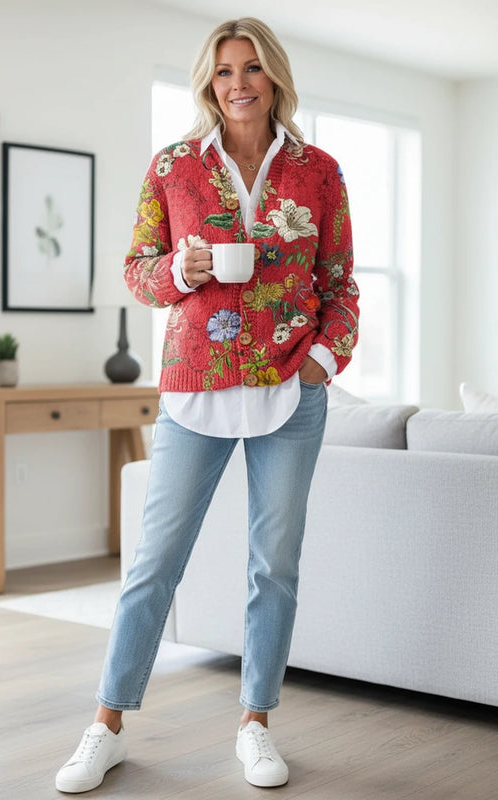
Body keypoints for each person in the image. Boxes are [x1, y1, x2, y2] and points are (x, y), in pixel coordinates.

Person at [56, 16, 359, 794]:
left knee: (274, 566)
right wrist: (181, 272)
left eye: (251, 68)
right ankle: (106, 726)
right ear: (208, 83)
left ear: (274, 76)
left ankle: (256, 724)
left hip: (291, 391)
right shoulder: (174, 167)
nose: (238, 84)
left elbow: (339, 285)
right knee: (154, 563)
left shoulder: (320, 173)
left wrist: (322, 362)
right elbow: (137, 269)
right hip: (194, 391)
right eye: (224, 71)